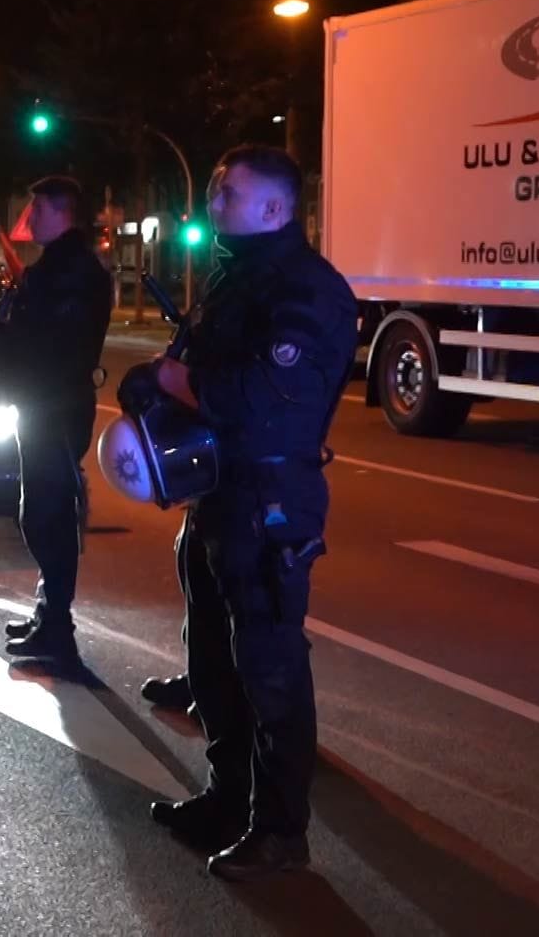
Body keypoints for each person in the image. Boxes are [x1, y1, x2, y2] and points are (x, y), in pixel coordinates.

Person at [129, 145, 356, 882]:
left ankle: (280, 832)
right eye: (216, 185)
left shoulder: (307, 289)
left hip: (270, 501)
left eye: (230, 190)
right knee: (214, 660)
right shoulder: (237, 276)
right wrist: (158, 390)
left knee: (270, 665)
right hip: (219, 495)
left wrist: (174, 376)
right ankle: (226, 799)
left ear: (275, 209)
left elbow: (261, 398)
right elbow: (201, 368)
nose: (214, 197)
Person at [0, 176, 113, 662]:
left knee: (49, 514)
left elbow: (52, 343)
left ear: (62, 213)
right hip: (44, 402)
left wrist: (15, 321)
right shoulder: (59, 269)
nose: (29, 218)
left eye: (37, 210)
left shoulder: (73, 273)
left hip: (54, 405)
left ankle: (58, 625)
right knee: (40, 509)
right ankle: (50, 613)